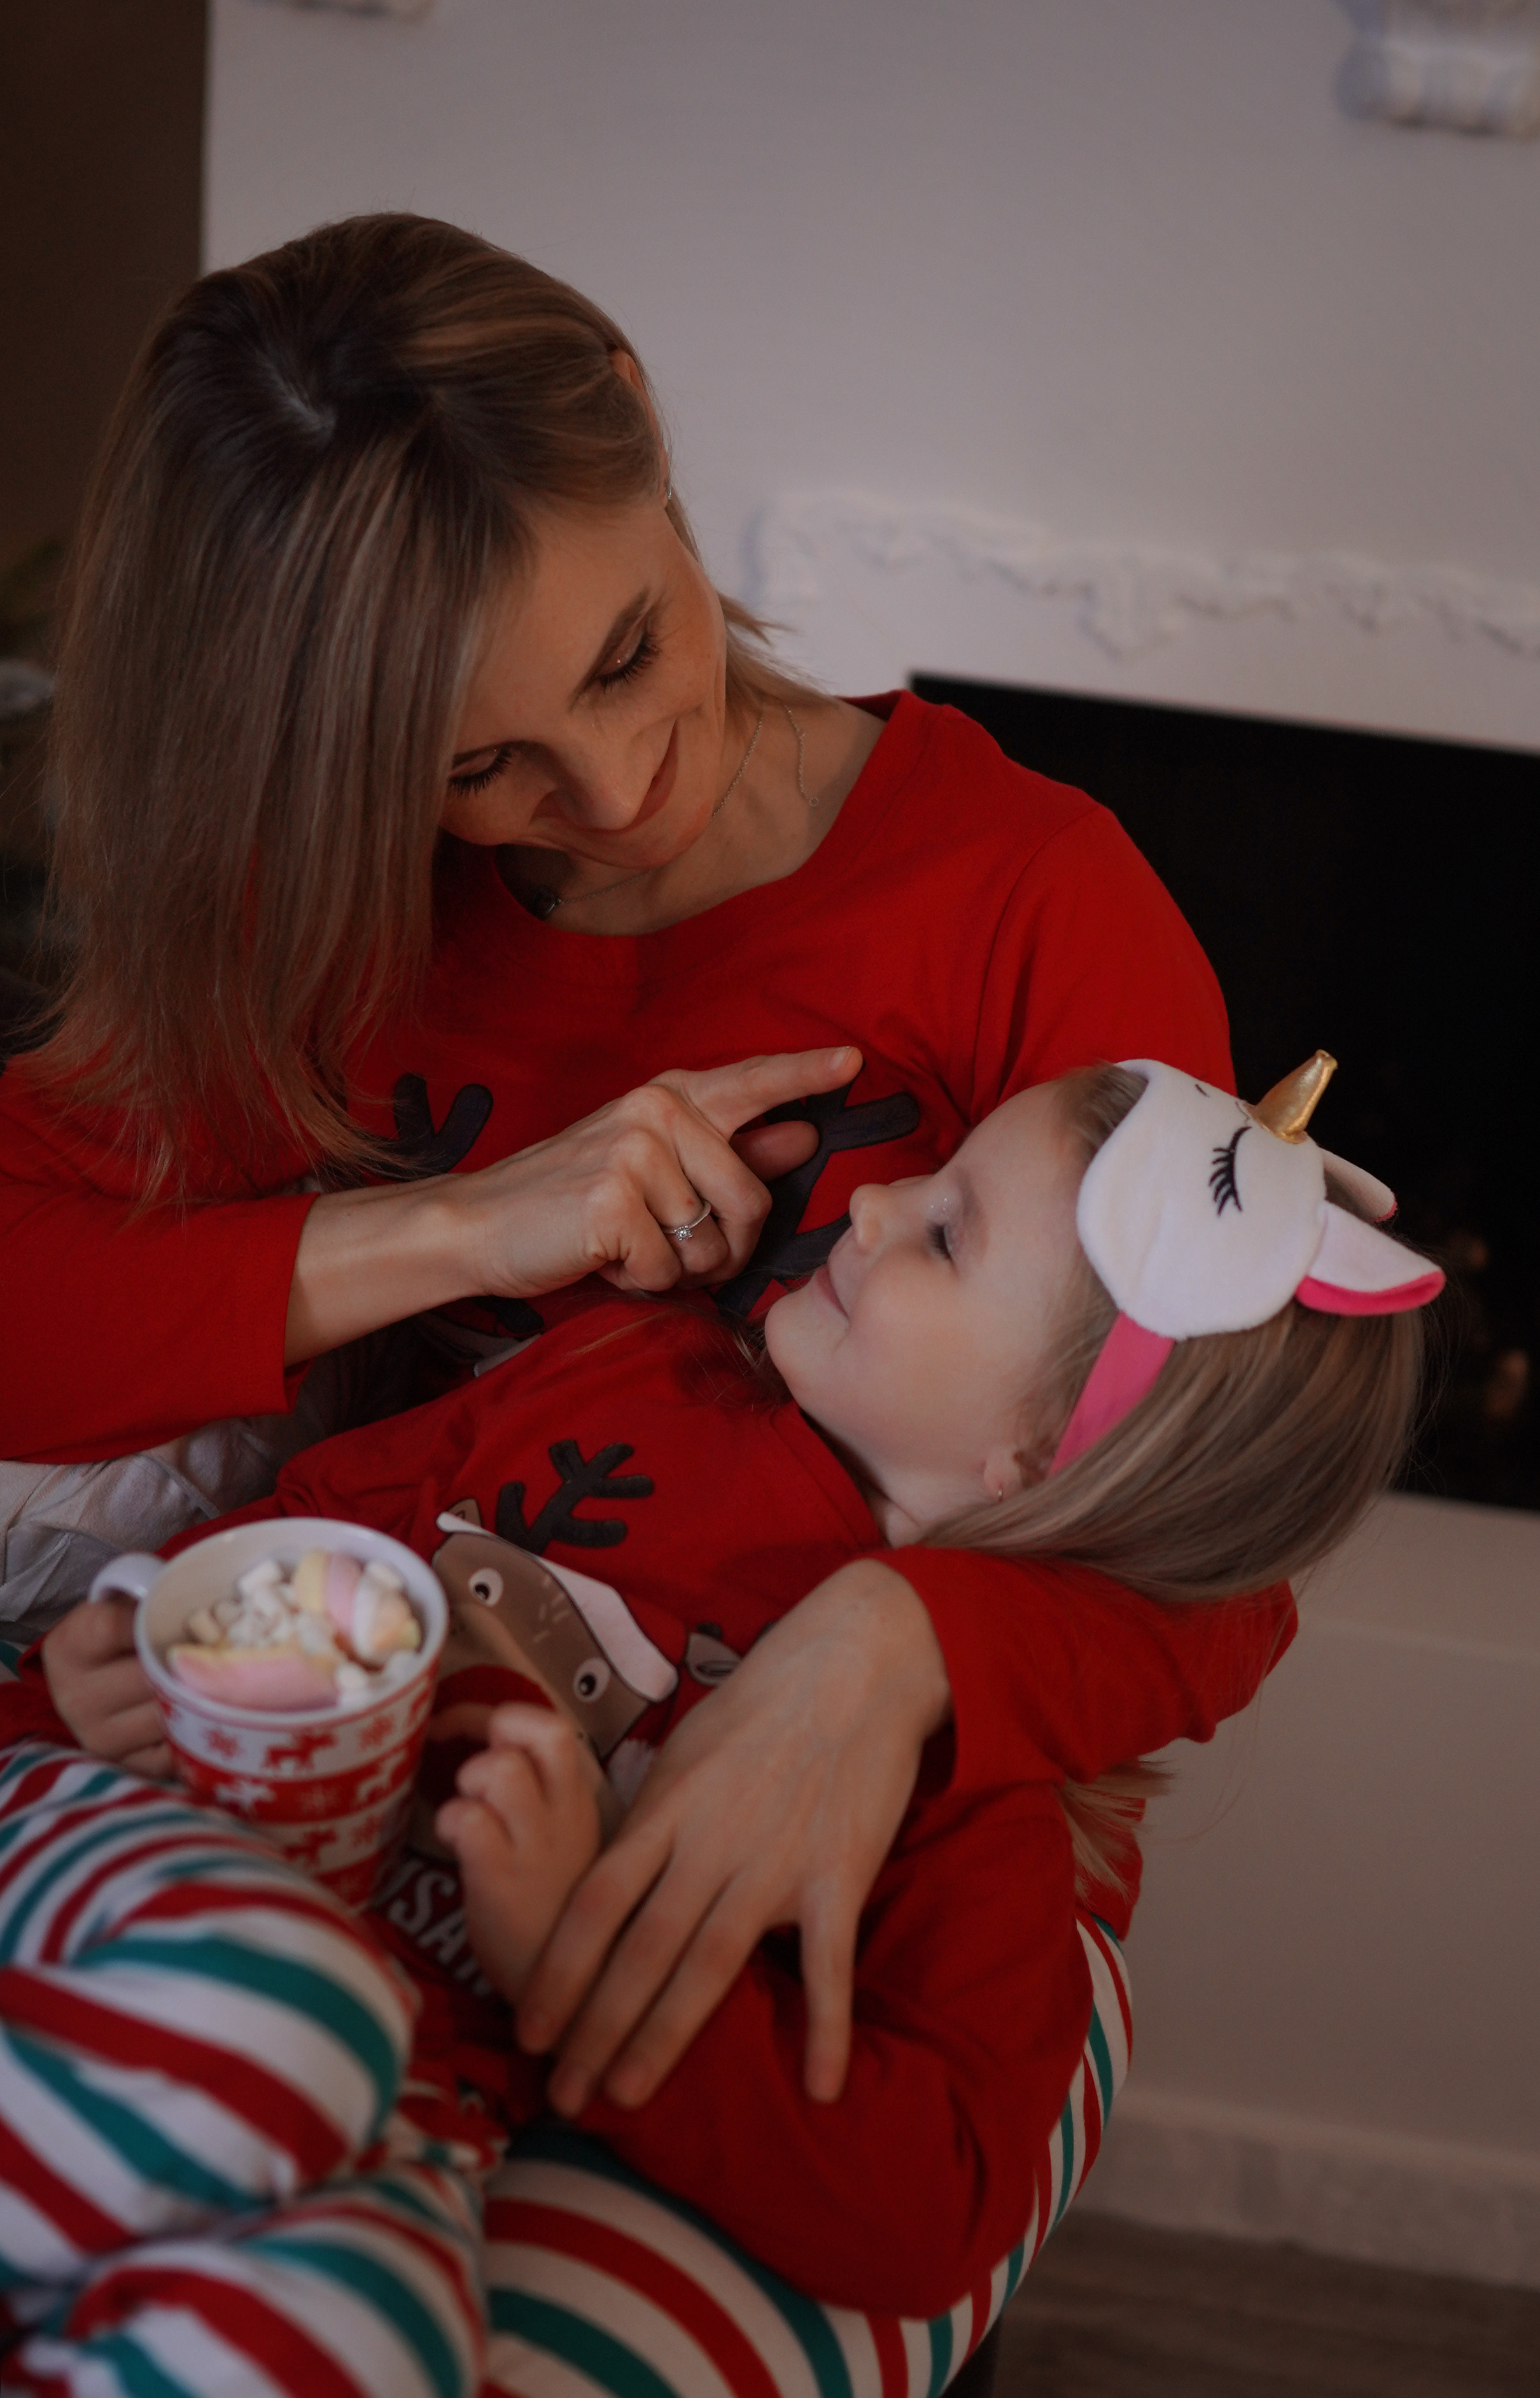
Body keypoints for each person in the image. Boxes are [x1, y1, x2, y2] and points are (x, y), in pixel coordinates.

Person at [0, 211, 1285, 2153]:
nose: (610, 795)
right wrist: (457, 1221)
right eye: (476, 767)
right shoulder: (328, 901)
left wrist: (897, 1647)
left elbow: (1227, 1536)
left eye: (625, 652)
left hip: (780, 1875)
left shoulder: (1025, 900)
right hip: (345, 1778)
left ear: (632, 418)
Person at [3, 1057, 1436, 2395]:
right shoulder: (636, 1377)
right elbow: (321, 1524)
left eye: (944, 1236)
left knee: (360, 2332)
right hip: (130, 1848)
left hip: (410, 2094)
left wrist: (576, 1950)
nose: (869, 1203)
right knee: (281, 2020)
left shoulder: (956, 1783)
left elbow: (929, 2204)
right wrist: (90, 1679)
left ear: (1044, 1456)